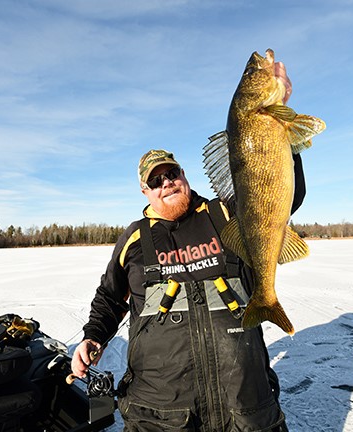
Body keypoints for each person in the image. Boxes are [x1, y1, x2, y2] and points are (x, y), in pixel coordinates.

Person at [72, 63, 300, 431]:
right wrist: (92, 336)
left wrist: (280, 126)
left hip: (243, 406)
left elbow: (275, 194)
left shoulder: (223, 213)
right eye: (156, 180)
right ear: (145, 191)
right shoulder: (134, 238)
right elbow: (110, 297)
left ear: (184, 175)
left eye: (172, 174)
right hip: (162, 415)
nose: (167, 183)